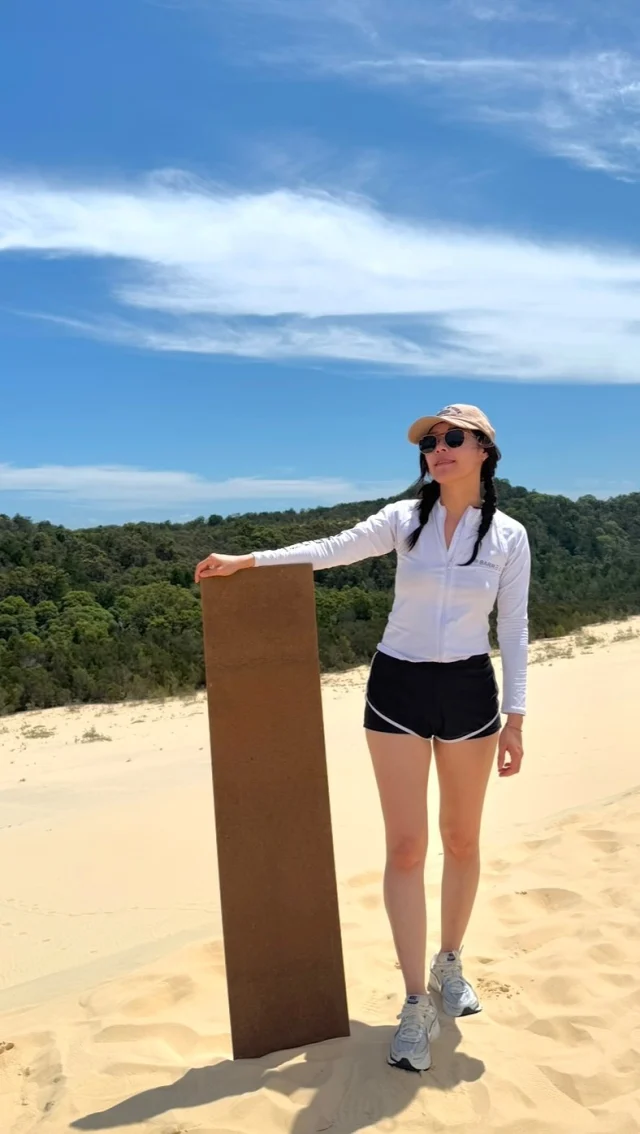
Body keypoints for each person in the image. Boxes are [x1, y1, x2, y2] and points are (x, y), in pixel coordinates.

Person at [194, 403, 531, 1074]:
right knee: (406, 847)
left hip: (469, 690)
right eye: (430, 442)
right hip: (398, 688)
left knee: (462, 838)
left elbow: (515, 629)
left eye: (453, 438)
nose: (439, 448)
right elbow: (329, 551)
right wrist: (251, 560)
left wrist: (516, 718)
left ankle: (449, 963)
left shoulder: (510, 538)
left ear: (486, 450)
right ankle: (414, 1001)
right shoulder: (405, 521)